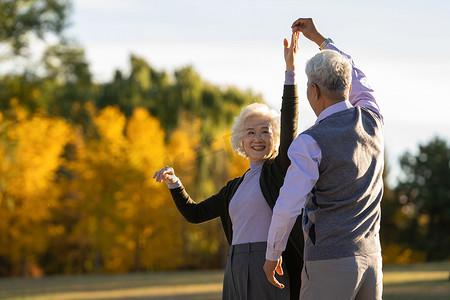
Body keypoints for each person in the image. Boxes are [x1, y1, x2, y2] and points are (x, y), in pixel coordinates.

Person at [153, 32, 304, 300]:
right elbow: (195, 214)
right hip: (235, 265)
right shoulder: (233, 188)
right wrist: (175, 184)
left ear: (275, 138)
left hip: (270, 265)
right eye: (250, 133)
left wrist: (290, 71)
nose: (258, 138)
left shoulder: (278, 171)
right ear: (240, 140)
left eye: (265, 132)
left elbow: (289, 120)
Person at [263, 18, 384, 300]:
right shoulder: (373, 119)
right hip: (372, 260)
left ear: (314, 90)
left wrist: (272, 254)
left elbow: (287, 204)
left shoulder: (310, 142)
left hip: (330, 263)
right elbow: (357, 74)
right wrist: (321, 40)